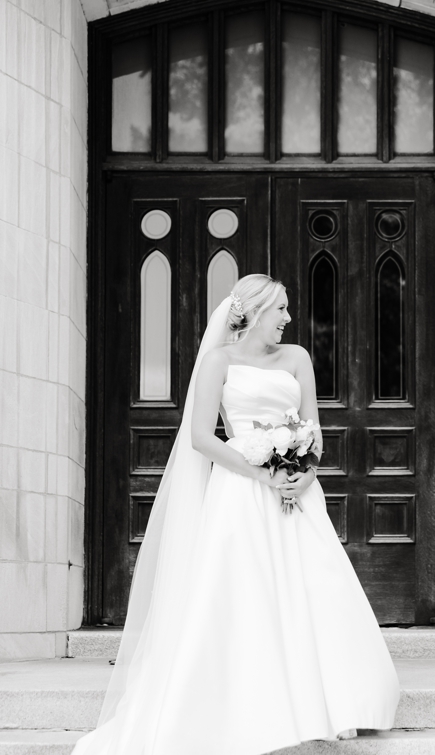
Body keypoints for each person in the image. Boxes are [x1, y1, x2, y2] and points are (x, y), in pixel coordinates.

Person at [72, 275, 399, 755]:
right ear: (256, 311)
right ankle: (253, 705)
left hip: (297, 493)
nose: (289, 318)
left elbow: (315, 430)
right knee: (247, 592)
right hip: (241, 492)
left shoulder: (298, 359)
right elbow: (202, 437)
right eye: (281, 309)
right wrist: (262, 474)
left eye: (289, 309)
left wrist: (304, 474)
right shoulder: (218, 361)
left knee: (311, 587)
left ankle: (327, 701)